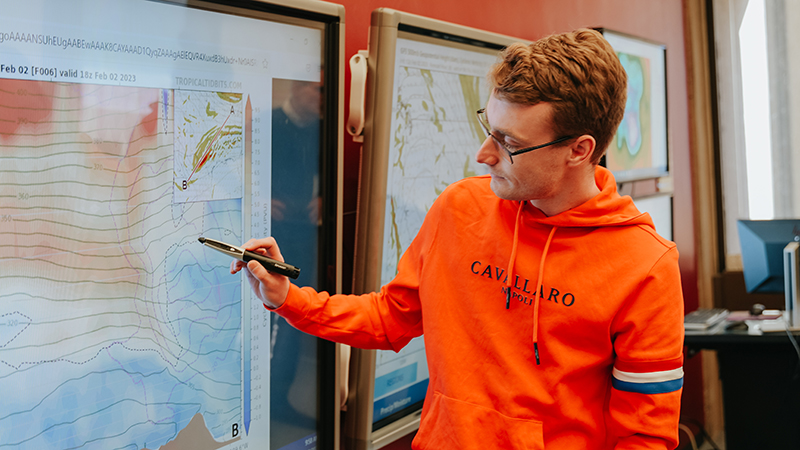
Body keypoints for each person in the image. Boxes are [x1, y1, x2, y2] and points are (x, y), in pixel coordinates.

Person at [232, 28, 685, 449]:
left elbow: (645, 438)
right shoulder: (460, 207)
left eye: (508, 142)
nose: (484, 154)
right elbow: (390, 318)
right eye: (489, 127)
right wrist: (287, 297)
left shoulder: (645, 266)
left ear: (579, 150)